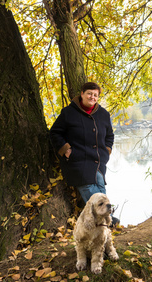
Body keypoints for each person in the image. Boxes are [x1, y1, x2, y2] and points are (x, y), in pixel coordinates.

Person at [50, 82, 119, 225]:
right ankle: (106, 221)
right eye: (89, 93)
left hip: (98, 161)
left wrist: (106, 151)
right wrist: (66, 150)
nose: (92, 97)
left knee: (101, 190)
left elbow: (110, 136)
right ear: (82, 94)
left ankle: (105, 220)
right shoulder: (68, 112)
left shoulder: (103, 114)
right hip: (78, 161)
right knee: (90, 190)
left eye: (95, 95)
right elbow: (55, 132)